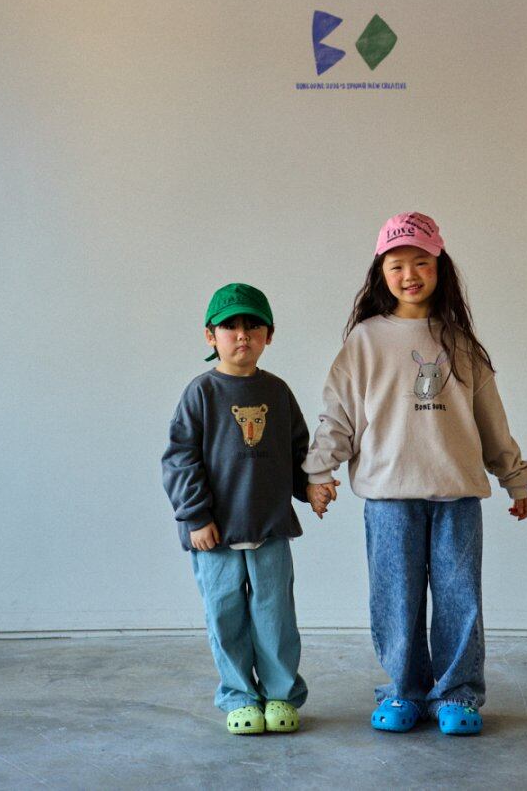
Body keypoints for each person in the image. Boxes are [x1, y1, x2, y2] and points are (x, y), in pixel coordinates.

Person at [303, 212, 527, 735]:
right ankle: (403, 690)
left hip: (457, 493)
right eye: (396, 265)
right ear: (381, 273)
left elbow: (491, 421)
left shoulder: (461, 343)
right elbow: (338, 415)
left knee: (459, 599)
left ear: (439, 266)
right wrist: (320, 472)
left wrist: (514, 477)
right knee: (396, 599)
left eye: (421, 262)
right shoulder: (364, 341)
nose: (409, 274)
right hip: (388, 495)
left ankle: (456, 694)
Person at [162, 282, 324, 736]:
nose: (241, 336)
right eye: (229, 327)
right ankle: (239, 696)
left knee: (276, 617)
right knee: (225, 615)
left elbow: (297, 450)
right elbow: (179, 458)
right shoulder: (201, 393)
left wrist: (310, 488)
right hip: (214, 534)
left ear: (268, 335)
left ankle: (280, 694)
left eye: (252, 327)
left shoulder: (277, 391)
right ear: (210, 336)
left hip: (269, 527)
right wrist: (195, 516)